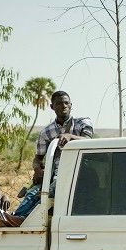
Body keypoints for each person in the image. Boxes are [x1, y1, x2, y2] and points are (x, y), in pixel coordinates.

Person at [9, 91, 94, 225]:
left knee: (45, 193)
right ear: (52, 107)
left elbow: (88, 141)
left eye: (66, 103)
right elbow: (38, 158)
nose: (64, 106)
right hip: (55, 174)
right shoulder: (46, 132)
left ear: (71, 105)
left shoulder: (82, 123)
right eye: (59, 103)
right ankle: (16, 219)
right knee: (32, 192)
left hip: (79, 172)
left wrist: (70, 137)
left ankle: (22, 220)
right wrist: (37, 170)